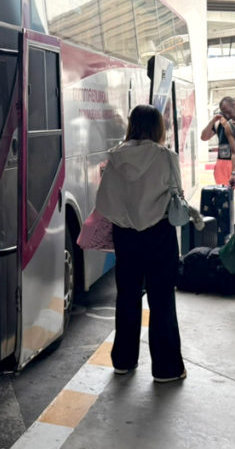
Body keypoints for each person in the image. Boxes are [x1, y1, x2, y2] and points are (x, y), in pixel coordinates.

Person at [95, 104, 191, 382]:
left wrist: (126, 218)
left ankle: (123, 361)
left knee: (127, 296)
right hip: (159, 233)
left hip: (125, 235)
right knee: (162, 299)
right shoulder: (166, 156)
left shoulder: (115, 157)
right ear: (158, 126)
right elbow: (177, 193)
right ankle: (166, 368)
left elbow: (105, 199)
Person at [201, 96, 235, 188]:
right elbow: (204, 137)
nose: (228, 115)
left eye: (229, 112)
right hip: (222, 163)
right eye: (224, 113)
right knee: (223, 195)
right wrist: (213, 121)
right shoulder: (219, 123)